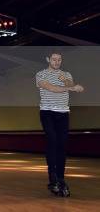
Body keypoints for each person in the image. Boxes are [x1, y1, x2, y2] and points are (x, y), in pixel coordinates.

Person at [36, 51, 84, 197]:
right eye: (54, 59)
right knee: (52, 140)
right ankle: (52, 178)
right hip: (47, 112)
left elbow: (72, 84)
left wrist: (68, 82)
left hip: (63, 113)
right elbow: (50, 88)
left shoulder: (66, 74)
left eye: (59, 60)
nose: (57, 62)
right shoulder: (41, 74)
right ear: (48, 59)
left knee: (62, 145)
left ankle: (61, 178)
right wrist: (71, 88)